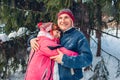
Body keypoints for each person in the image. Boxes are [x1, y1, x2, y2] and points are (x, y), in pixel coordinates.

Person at [30, 9, 93, 80]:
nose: (63, 21)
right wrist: (31, 39)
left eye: (66, 17)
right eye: (60, 18)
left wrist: (65, 60)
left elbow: (87, 59)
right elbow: (42, 36)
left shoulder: (78, 36)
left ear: (72, 21)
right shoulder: (55, 33)